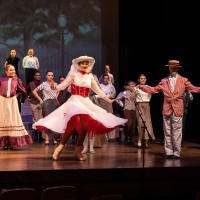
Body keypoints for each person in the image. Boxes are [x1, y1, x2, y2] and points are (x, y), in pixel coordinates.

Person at [32, 56, 127, 161]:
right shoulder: (73, 75)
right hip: (75, 101)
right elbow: (63, 85)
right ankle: (60, 147)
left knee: (85, 127)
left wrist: (107, 99)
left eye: (86, 63)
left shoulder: (90, 77)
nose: (85, 65)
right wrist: (55, 87)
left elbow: (98, 90)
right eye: (82, 63)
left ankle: (78, 151)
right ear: (78, 64)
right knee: (71, 126)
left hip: (85, 102)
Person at [139, 60, 200, 159]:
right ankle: (169, 151)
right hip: (167, 108)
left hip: (178, 108)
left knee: (177, 130)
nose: (172, 69)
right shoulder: (164, 81)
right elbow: (154, 89)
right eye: (170, 67)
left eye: (174, 67)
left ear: (177, 68)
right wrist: (142, 87)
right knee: (167, 130)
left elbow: (193, 88)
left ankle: (176, 152)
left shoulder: (184, 80)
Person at [0, 64, 33, 150]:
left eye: (14, 70)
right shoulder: (2, 79)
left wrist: (16, 95)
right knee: (3, 119)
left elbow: (23, 91)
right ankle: (4, 143)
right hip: (2, 101)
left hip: (12, 101)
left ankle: (12, 143)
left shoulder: (17, 80)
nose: (13, 71)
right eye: (10, 70)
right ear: (6, 71)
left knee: (12, 120)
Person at [32, 70, 59, 145]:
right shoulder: (43, 84)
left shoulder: (55, 84)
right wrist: (41, 100)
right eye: (49, 75)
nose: (51, 76)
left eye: (52, 75)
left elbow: (58, 91)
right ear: (46, 76)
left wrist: (56, 98)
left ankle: (54, 138)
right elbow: (34, 91)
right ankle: (47, 138)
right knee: (47, 121)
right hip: (46, 103)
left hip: (54, 103)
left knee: (54, 121)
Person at [133, 74, 155, 148]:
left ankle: (147, 140)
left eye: (144, 78)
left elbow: (152, 94)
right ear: (138, 80)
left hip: (147, 105)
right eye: (141, 78)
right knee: (140, 123)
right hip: (139, 105)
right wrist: (134, 92)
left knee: (148, 123)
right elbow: (132, 97)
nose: (143, 80)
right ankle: (140, 139)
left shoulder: (149, 87)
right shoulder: (136, 88)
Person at [23, 70, 45, 142]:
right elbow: (24, 90)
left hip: (40, 103)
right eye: (37, 75)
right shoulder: (31, 84)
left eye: (39, 75)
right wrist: (27, 97)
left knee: (40, 119)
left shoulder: (42, 84)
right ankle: (35, 136)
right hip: (33, 103)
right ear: (34, 76)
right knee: (35, 119)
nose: (38, 76)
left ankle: (40, 136)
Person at [116, 80, 136, 146]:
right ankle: (126, 136)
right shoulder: (124, 93)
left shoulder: (135, 92)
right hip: (127, 110)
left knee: (133, 124)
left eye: (133, 86)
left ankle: (131, 138)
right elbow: (118, 99)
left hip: (134, 110)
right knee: (128, 123)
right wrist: (122, 104)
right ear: (129, 86)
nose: (132, 87)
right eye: (131, 86)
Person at [98, 74, 116, 140]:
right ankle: (104, 135)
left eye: (107, 78)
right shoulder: (100, 86)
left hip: (108, 102)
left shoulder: (111, 86)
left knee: (109, 117)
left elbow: (114, 94)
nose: (106, 79)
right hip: (102, 101)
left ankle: (110, 135)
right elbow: (98, 93)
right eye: (105, 78)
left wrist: (109, 95)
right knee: (103, 118)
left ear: (108, 79)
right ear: (103, 79)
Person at [56, 76, 71, 141]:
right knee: (59, 122)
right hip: (58, 107)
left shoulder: (68, 88)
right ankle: (59, 136)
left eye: (63, 80)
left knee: (66, 122)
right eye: (61, 80)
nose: (62, 81)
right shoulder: (57, 87)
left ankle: (64, 136)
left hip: (66, 107)